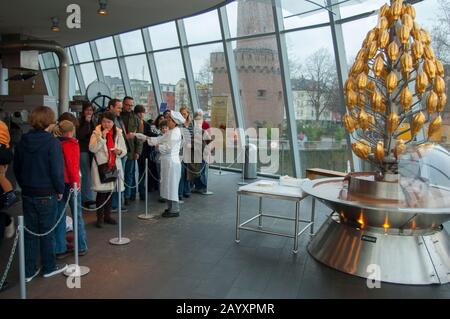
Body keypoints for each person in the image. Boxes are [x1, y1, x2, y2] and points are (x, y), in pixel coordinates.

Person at [13, 106, 67, 282]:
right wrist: (60, 190)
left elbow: (17, 169)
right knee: (46, 232)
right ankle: (49, 267)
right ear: (49, 121)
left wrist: (25, 186)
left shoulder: (22, 141)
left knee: (30, 233)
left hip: (28, 193)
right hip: (46, 193)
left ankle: (29, 271)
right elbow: (57, 171)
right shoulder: (53, 143)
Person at [52, 120, 88, 259]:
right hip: (71, 184)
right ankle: (81, 246)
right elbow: (72, 167)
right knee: (77, 216)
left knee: (59, 217)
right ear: (72, 131)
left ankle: (59, 248)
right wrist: (76, 184)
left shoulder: (54, 143)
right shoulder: (72, 144)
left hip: (58, 184)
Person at [89, 111, 127, 228]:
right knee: (101, 193)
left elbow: (124, 149)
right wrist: (102, 138)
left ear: (113, 122)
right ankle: (99, 218)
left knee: (110, 192)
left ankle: (108, 216)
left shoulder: (118, 133)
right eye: (104, 121)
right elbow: (92, 148)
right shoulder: (96, 133)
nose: (106, 124)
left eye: (109, 122)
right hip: (101, 166)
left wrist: (119, 151)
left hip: (113, 165)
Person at [149, 111, 185, 217]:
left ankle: (174, 210)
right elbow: (161, 139)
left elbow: (168, 149)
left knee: (171, 186)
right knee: (167, 185)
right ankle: (170, 208)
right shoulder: (171, 131)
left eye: (169, 120)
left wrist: (158, 146)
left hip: (171, 163)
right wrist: (147, 138)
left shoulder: (175, 133)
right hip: (168, 162)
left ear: (175, 122)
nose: (167, 121)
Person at [120, 96, 143, 204]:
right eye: (127, 105)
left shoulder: (136, 118)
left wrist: (138, 152)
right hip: (119, 151)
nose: (129, 107)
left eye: (131, 105)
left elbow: (139, 137)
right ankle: (120, 196)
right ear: (123, 104)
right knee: (120, 175)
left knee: (129, 174)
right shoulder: (117, 117)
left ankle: (127, 196)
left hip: (131, 151)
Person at [107, 99, 128, 213]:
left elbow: (122, 138)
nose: (120, 109)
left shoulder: (119, 119)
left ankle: (118, 203)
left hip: (121, 153)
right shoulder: (106, 121)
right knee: (112, 180)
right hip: (111, 157)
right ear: (111, 107)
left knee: (119, 179)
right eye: (118, 107)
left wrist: (123, 151)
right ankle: (113, 204)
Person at [78, 102, 97, 207]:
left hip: (91, 151)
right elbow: (80, 135)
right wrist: (86, 122)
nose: (89, 112)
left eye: (91, 110)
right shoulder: (80, 122)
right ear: (83, 111)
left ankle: (88, 197)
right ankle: (87, 198)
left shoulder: (93, 122)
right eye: (87, 110)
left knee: (90, 174)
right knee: (86, 174)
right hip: (83, 150)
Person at [134, 105, 151, 200]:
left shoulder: (146, 124)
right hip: (135, 150)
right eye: (139, 113)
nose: (141, 115)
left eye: (142, 112)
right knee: (134, 172)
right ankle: (134, 193)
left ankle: (142, 192)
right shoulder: (134, 124)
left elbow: (149, 135)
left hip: (144, 151)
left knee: (142, 172)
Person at [178, 106, 193, 200]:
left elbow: (193, 136)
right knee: (181, 172)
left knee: (188, 172)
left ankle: (186, 190)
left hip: (189, 151)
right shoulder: (178, 124)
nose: (183, 115)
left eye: (185, 113)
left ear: (188, 114)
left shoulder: (191, 124)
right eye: (182, 113)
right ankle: (180, 192)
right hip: (180, 150)